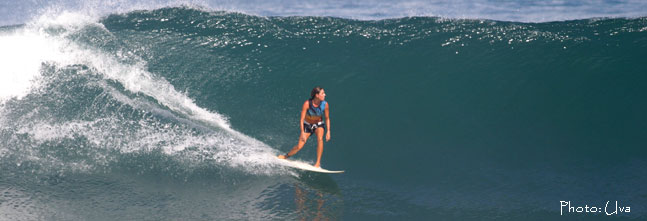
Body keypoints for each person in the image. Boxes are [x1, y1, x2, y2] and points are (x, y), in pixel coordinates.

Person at [278, 86, 331, 168]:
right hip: (307, 125)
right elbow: (302, 120)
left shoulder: (325, 104)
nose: (325, 95)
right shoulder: (307, 104)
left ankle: (317, 163)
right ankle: (286, 156)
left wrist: (328, 131)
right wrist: (302, 132)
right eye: (323, 93)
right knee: (299, 146)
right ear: (317, 95)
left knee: (320, 139)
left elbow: (327, 118)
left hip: (319, 124)